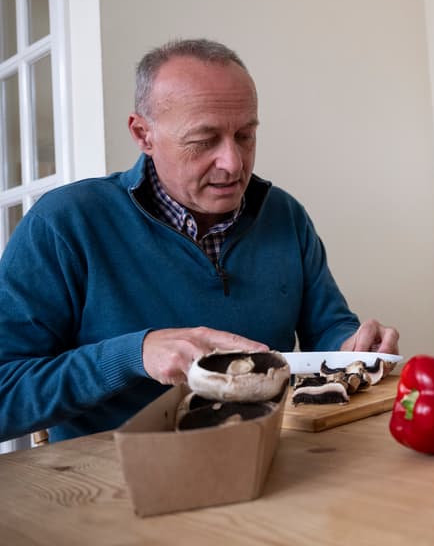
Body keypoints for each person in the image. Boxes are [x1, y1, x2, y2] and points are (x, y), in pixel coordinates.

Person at [0, 38, 399, 442]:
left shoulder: (285, 215)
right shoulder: (65, 222)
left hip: (267, 460)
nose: (233, 163)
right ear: (143, 135)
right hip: (108, 485)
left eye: (245, 135)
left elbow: (328, 330)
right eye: (204, 141)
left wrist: (354, 347)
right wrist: (132, 355)